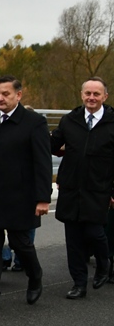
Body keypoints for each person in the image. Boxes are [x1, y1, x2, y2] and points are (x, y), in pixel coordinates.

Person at [0, 75, 51, 309]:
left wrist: (43, 198)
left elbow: (43, 162)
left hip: (20, 196)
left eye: (6, 94)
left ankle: (35, 276)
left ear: (19, 95)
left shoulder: (34, 122)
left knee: (20, 243)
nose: (0, 98)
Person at [50, 77, 113, 299]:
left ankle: (104, 264)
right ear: (81, 94)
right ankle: (79, 284)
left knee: (95, 232)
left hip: (99, 188)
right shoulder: (70, 120)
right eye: (88, 93)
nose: (91, 98)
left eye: (96, 94)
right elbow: (52, 145)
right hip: (71, 188)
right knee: (74, 239)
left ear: (105, 96)